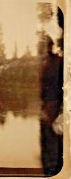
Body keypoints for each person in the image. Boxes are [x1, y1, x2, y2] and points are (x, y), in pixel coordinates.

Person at [39, 35, 63, 176]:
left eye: (47, 46)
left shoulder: (57, 61)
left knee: (54, 133)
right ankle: (49, 165)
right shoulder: (46, 62)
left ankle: (54, 167)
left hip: (54, 102)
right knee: (48, 133)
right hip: (47, 102)